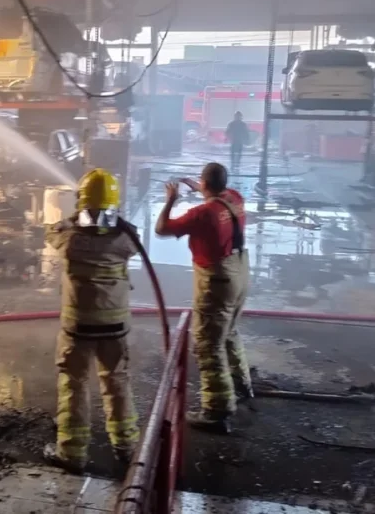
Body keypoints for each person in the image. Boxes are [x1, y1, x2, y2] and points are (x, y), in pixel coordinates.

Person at [42, 168, 141, 473]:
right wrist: (114, 220)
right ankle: (128, 448)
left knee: (74, 385)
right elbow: (133, 238)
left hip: (78, 328)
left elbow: (52, 232)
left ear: (81, 202)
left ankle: (72, 453)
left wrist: (77, 217)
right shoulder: (125, 239)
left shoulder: (69, 239)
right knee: (117, 383)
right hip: (115, 328)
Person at [155, 162, 252, 434]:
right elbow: (215, 197)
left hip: (217, 279)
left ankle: (217, 410)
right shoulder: (234, 198)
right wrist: (198, 187)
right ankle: (240, 384)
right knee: (229, 331)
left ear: (205, 183)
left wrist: (170, 201)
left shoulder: (202, 214)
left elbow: (162, 229)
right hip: (240, 272)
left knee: (209, 343)